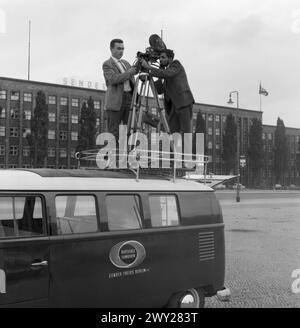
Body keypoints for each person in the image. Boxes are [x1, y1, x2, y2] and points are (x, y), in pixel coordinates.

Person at [141, 49, 194, 134]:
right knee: (172, 132)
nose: (160, 60)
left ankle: (186, 148)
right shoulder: (166, 73)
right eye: (160, 58)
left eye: (163, 57)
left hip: (183, 103)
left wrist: (148, 67)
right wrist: (152, 78)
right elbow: (159, 90)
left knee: (186, 133)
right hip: (173, 106)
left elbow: (167, 74)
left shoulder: (176, 64)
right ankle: (173, 148)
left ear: (170, 59)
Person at [102, 39, 137, 142]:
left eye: (123, 49)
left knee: (132, 129)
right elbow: (113, 79)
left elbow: (133, 73)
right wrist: (130, 72)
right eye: (118, 48)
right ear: (111, 49)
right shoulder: (107, 64)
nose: (121, 51)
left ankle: (129, 154)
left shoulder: (126, 63)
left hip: (129, 99)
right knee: (114, 132)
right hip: (115, 101)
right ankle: (114, 156)